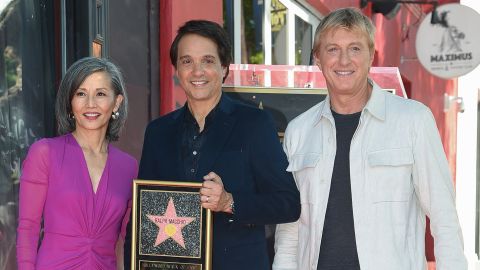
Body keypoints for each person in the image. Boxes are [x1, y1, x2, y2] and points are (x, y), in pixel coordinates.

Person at [273, 7, 467, 270]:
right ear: (317, 58)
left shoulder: (413, 120)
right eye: (332, 49)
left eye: (355, 48)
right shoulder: (299, 131)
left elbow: (444, 217)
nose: (344, 61)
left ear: (370, 57)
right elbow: (290, 230)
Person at [124, 20, 300, 270]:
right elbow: (140, 217)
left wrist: (229, 202)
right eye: (187, 61)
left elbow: (288, 204)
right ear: (176, 69)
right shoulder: (158, 132)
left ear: (224, 68)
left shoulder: (254, 123)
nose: (197, 71)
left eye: (207, 61)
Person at [16, 57, 138, 270]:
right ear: (70, 102)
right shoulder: (45, 153)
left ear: (116, 102)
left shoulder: (128, 167)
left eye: (100, 94)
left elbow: (128, 241)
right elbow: (28, 228)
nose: (90, 104)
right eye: (81, 93)